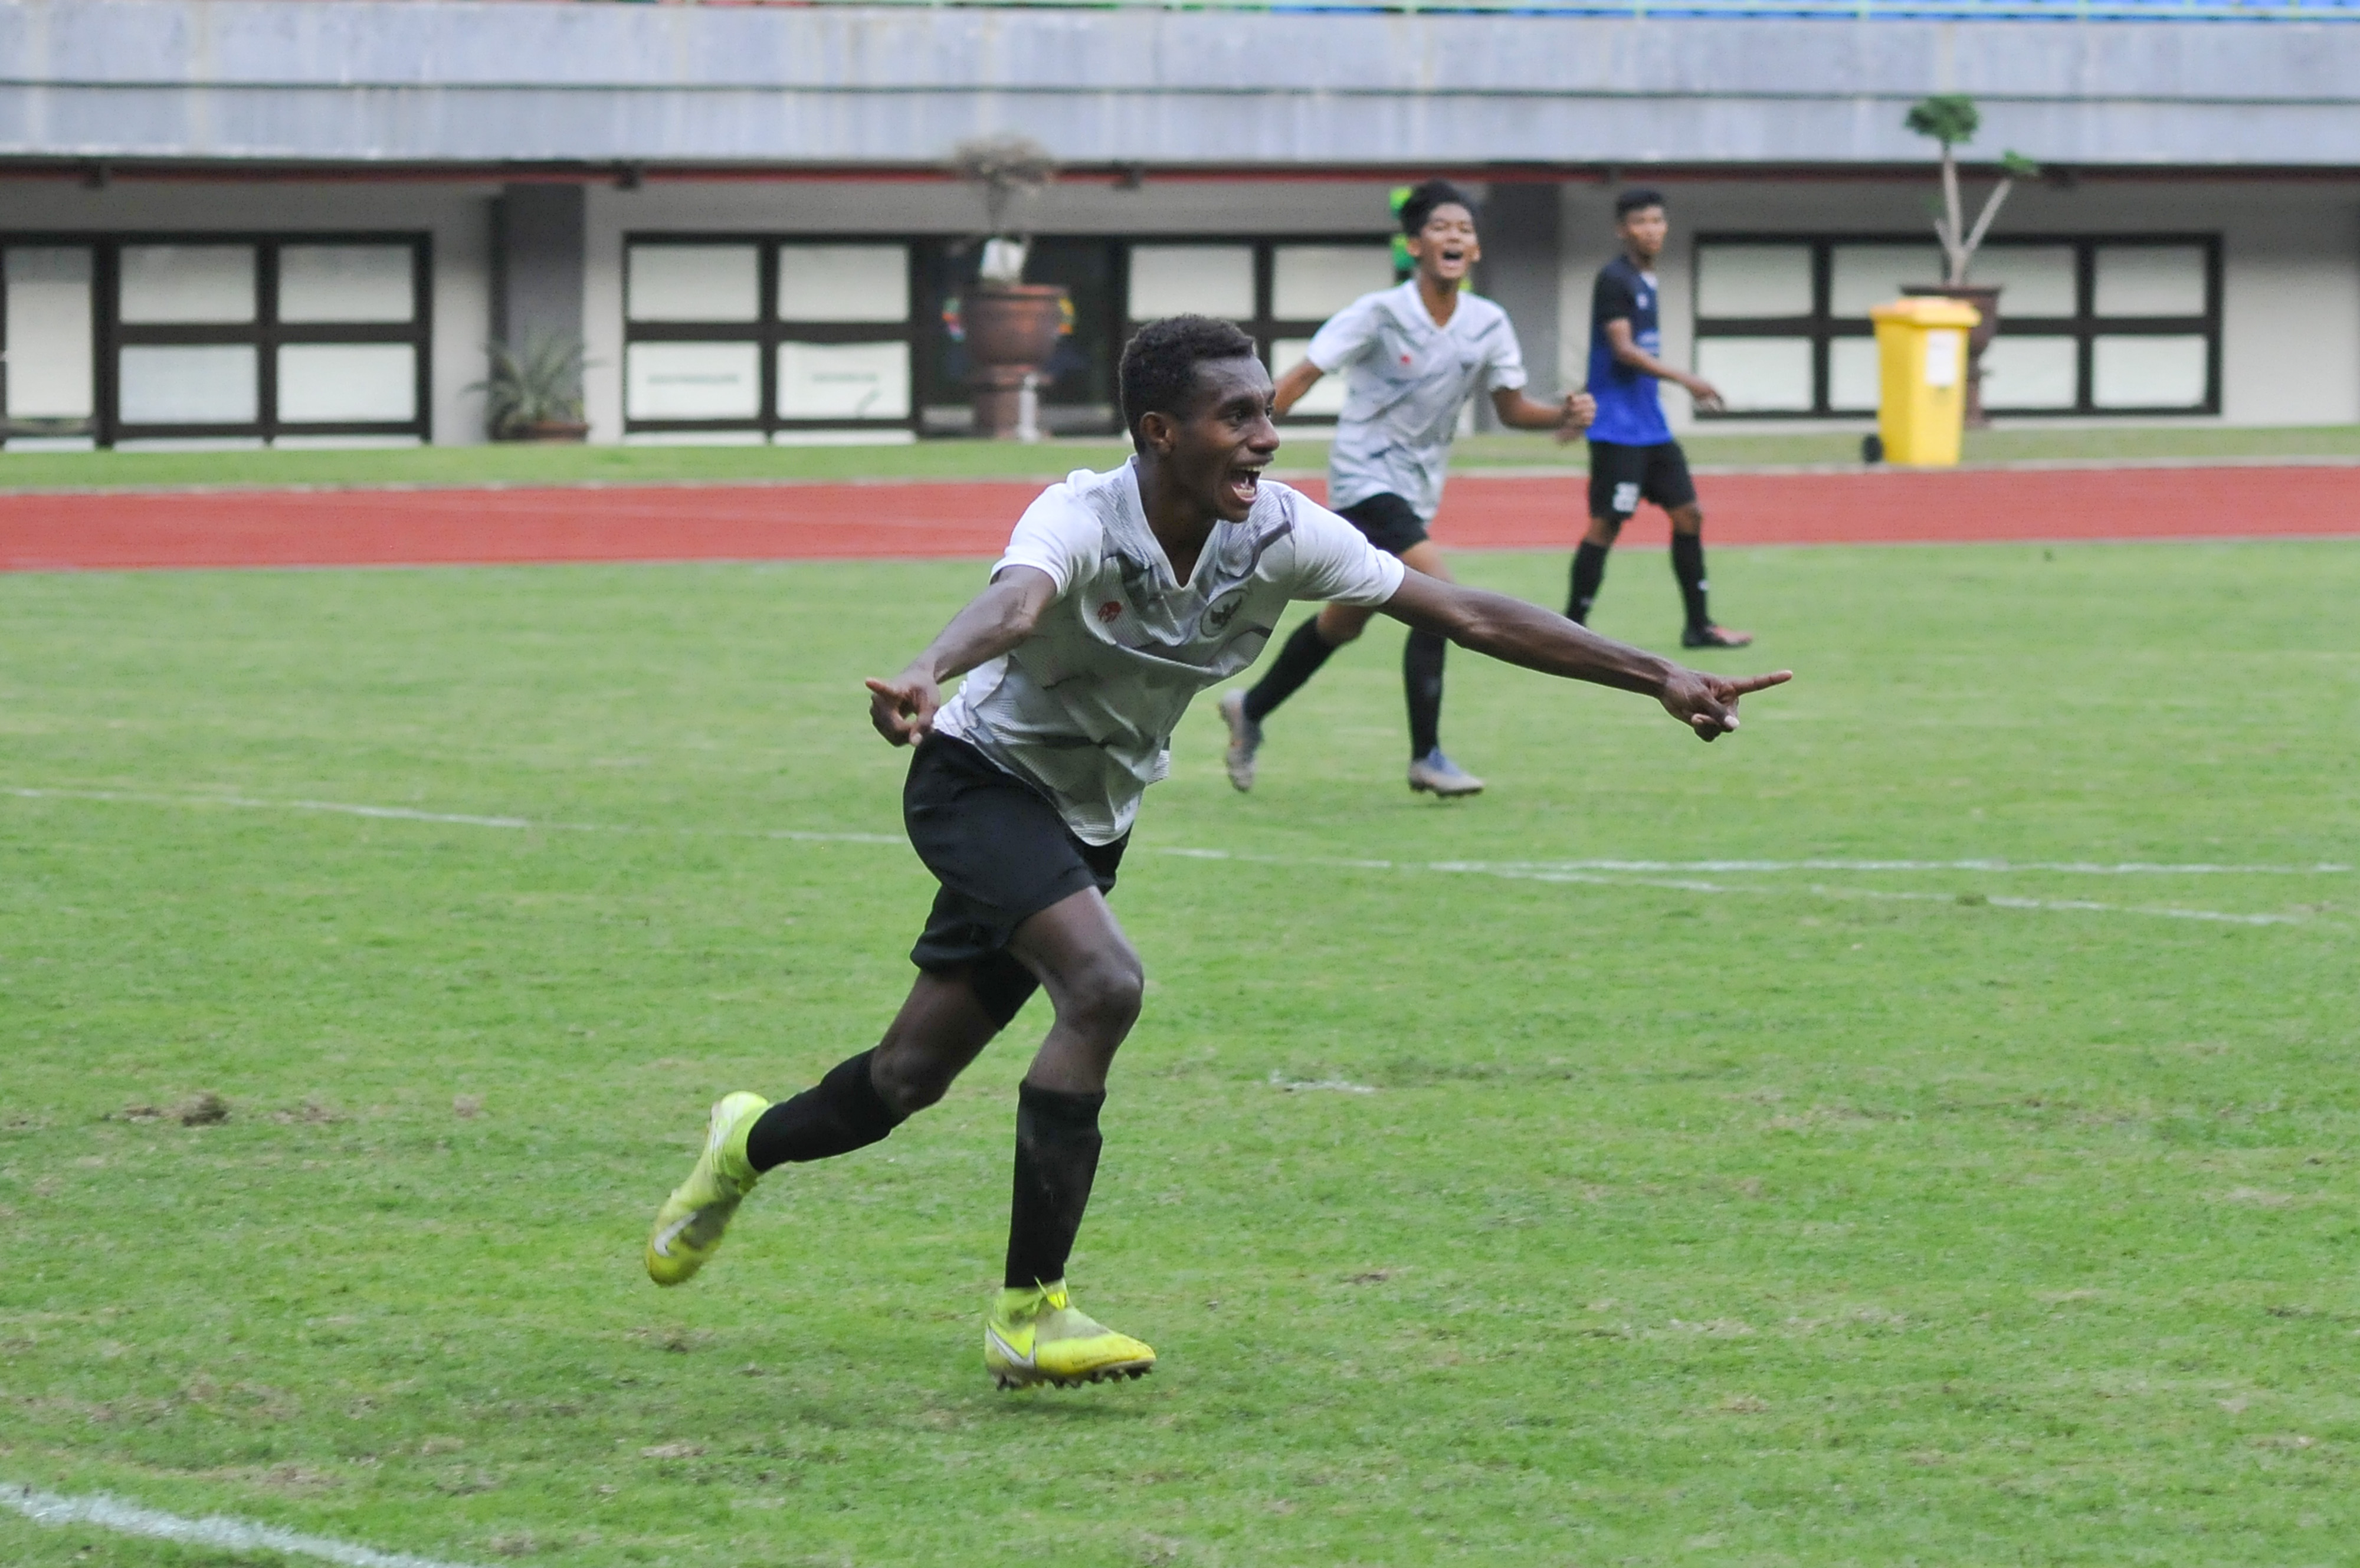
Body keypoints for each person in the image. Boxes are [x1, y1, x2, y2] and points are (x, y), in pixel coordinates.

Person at [641, 315, 1788, 1392]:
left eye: (1264, 410)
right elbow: (1013, 599)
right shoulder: (1081, 516)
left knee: (903, 1081)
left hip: (1088, 817)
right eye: (1237, 416)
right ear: (1159, 432)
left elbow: (1467, 613)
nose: (1265, 434)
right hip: (975, 781)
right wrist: (929, 667)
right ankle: (1030, 1314)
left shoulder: (1281, 532)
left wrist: (1659, 675)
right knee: (1104, 985)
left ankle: (745, 1143)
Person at [1217, 179, 1595, 799]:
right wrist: (1240, 430)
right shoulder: (1379, 312)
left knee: (1345, 622)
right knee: (1440, 595)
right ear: (1414, 245)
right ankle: (1428, 757)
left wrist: (1561, 414)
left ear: (1475, 251)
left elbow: (1510, 408)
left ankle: (1250, 708)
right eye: (1442, 228)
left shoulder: (1487, 322)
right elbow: (1305, 373)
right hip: (1365, 481)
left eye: (1465, 231)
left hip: (1418, 490)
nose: (1455, 237)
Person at [1569, 188, 1753, 649]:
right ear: (1621, 229)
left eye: (1657, 221)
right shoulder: (1615, 279)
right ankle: (1569, 629)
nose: (1650, 230)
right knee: (1606, 525)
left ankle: (1699, 626)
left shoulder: (1646, 279)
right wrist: (1687, 378)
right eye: (1639, 222)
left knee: (1689, 514)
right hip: (1618, 428)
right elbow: (1623, 350)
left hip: (1650, 428)